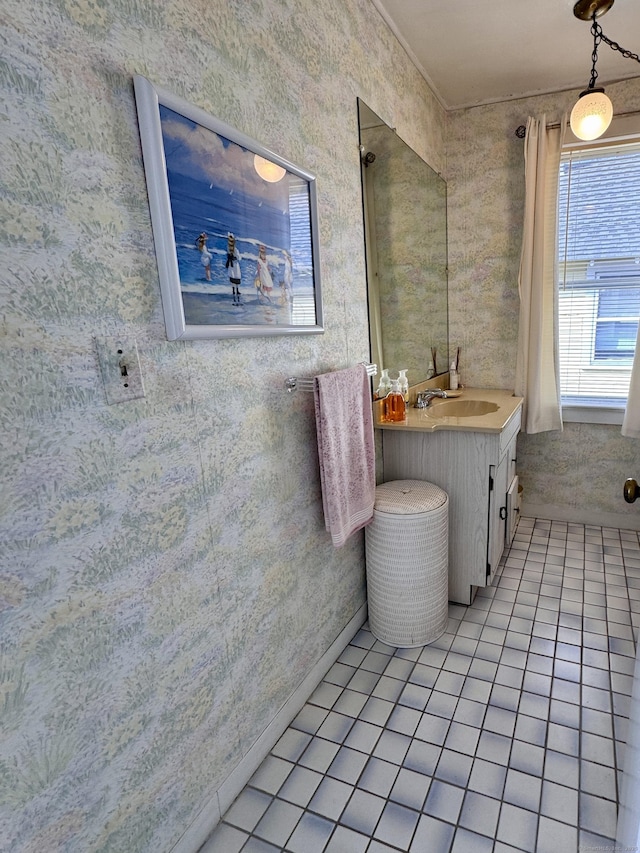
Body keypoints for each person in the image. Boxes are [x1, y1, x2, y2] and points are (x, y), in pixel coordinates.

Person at [225, 233, 242, 304]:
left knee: (232, 277)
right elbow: (239, 258)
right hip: (234, 264)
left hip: (230, 264)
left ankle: (233, 290)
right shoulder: (235, 250)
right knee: (236, 277)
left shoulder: (228, 248)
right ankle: (237, 290)